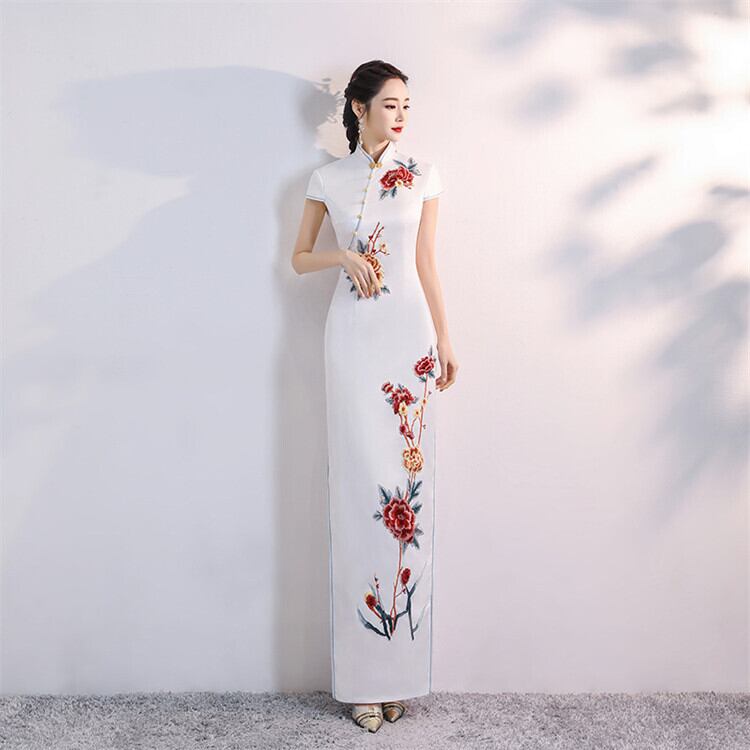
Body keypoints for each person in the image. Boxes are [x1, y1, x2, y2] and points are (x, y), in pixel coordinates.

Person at [292, 60, 459, 732]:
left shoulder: (423, 174)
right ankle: (361, 683)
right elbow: (299, 258)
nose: (401, 115)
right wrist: (343, 257)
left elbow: (426, 263)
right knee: (358, 490)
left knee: (407, 498)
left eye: (407, 105)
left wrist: (445, 337)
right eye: (390, 104)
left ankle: (398, 678)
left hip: (408, 342)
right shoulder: (326, 179)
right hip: (352, 339)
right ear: (358, 108)